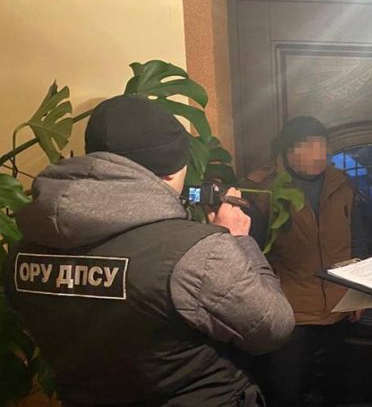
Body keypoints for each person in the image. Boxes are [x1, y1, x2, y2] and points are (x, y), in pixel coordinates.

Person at [3, 95, 295, 407]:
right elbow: (272, 327)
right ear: (171, 170)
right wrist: (237, 239)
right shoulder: (198, 254)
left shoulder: (22, 251)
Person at [245, 116, 368, 407]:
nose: (319, 154)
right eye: (308, 146)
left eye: (322, 145)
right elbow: (250, 251)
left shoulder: (342, 183)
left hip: (338, 307)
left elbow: (358, 239)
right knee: (287, 391)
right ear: (288, 151)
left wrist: (358, 294)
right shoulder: (262, 190)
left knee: (335, 389)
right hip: (290, 312)